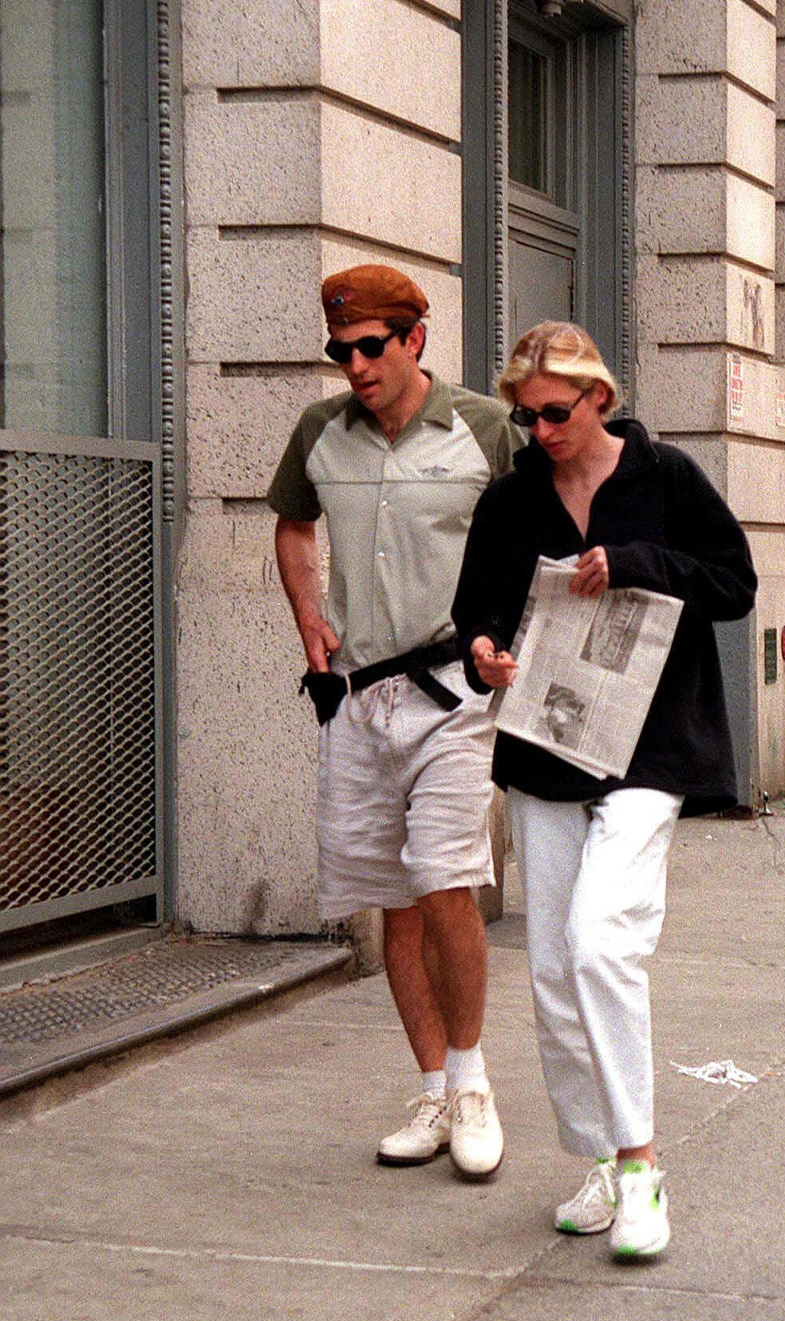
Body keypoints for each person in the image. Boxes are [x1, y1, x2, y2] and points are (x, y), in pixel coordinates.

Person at [452, 322, 757, 1254]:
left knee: (597, 945)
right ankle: (595, 1160)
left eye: (555, 411)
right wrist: (483, 652)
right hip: (544, 743)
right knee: (551, 969)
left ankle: (641, 1168)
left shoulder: (665, 480)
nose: (538, 429)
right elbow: (478, 606)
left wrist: (638, 564)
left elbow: (735, 583)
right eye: (524, 414)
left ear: (600, 400)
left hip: (651, 747)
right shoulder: (512, 501)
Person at [268, 264, 521, 1180]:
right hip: (358, 695)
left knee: (447, 881)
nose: (356, 366)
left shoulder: (483, 429)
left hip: (453, 690)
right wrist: (306, 614)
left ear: (415, 340)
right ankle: (433, 1091)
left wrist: (508, 639)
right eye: (342, 351)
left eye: (371, 347)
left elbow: (538, 536)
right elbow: (294, 526)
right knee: (395, 905)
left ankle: (474, 1082)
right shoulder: (319, 434)